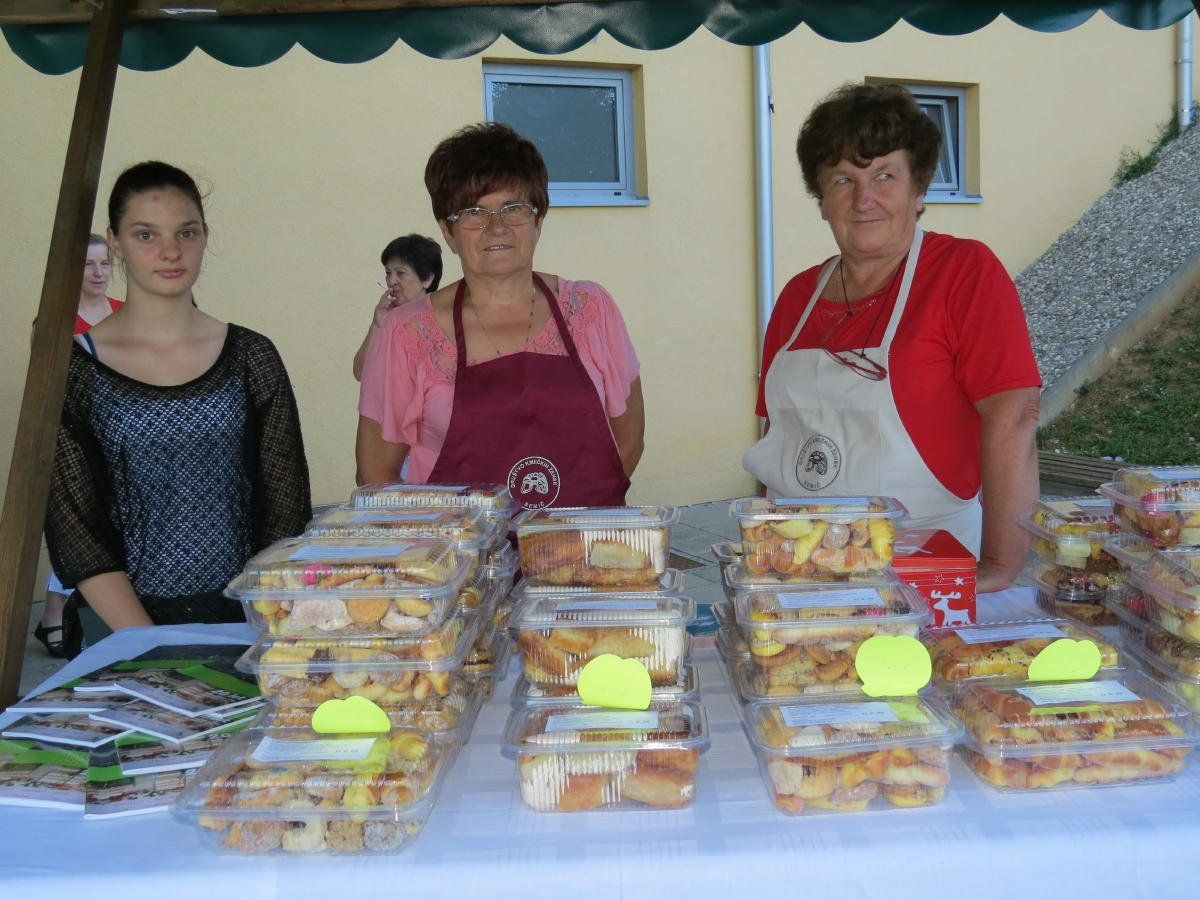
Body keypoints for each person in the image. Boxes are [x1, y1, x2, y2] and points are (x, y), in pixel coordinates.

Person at [743, 83, 1041, 592]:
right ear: (821, 200)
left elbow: (1014, 417)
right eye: (843, 179)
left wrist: (999, 564)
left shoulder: (962, 273)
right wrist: (764, 552)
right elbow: (778, 437)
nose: (864, 199)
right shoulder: (797, 296)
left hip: (923, 566)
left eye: (885, 176)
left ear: (918, 191)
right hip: (800, 571)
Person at [45, 161, 312, 647]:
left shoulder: (251, 357)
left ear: (205, 236)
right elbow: (76, 528)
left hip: (247, 624)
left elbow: (285, 508)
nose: (170, 251)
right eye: (146, 235)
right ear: (116, 242)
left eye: (185, 233)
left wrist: (265, 620)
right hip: (120, 631)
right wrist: (153, 647)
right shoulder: (75, 370)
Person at [356, 123, 644, 509]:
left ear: (538, 220)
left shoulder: (592, 309)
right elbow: (375, 474)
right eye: (474, 212)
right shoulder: (405, 333)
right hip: (462, 547)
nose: (497, 227)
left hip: (582, 541)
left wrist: (571, 519)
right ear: (448, 232)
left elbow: (629, 439)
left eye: (514, 208)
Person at [32, 234, 122, 657]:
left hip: (122, 437)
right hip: (77, 440)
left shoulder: (126, 312)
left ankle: (104, 616)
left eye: (105, 263)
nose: (99, 273)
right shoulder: (55, 320)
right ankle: (54, 614)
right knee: (80, 527)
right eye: (88, 264)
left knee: (114, 529)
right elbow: (52, 386)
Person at [352, 234, 443, 381]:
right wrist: (376, 325)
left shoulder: (443, 320)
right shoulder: (389, 319)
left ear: (427, 279)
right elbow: (360, 373)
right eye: (388, 273)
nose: (391, 281)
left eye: (400, 273)